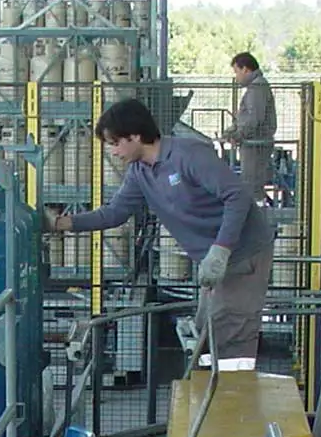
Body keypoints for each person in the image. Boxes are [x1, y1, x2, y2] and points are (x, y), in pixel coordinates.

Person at [48, 97, 275, 365]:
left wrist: (221, 248)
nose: (113, 151)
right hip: (213, 260)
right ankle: (212, 396)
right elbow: (114, 213)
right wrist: (61, 224)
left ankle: (234, 399)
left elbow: (237, 196)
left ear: (134, 136)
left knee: (231, 337)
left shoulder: (188, 155)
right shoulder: (139, 172)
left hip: (243, 254)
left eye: (115, 143)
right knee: (207, 335)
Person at [222, 52, 276, 197]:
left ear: (246, 69)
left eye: (237, 72)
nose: (236, 77)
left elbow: (253, 118)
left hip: (255, 145)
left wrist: (238, 135)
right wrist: (231, 130)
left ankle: (255, 217)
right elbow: (245, 117)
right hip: (253, 143)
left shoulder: (257, 88)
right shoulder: (256, 88)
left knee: (251, 186)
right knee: (250, 184)